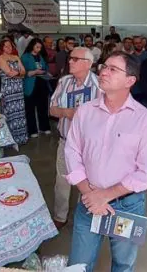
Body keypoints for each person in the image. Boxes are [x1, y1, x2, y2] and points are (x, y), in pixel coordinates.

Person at [65, 51, 147, 271]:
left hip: (127, 206)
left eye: (112, 69)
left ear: (130, 80)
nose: (103, 72)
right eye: (104, 66)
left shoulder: (144, 120)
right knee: (78, 264)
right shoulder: (85, 112)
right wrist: (89, 194)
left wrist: (105, 196)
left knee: (123, 264)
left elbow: (146, 172)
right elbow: (71, 152)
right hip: (88, 201)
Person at [50, 47, 100, 229]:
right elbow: (52, 109)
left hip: (89, 146)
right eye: (70, 58)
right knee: (62, 181)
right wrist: (67, 112)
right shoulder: (64, 82)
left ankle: (84, 217)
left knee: (87, 183)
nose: (70, 61)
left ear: (88, 63)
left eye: (75, 59)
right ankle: (60, 216)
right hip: (65, 142)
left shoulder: (99, 86)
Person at [0, 38, 28, 145]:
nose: (8, 48)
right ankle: (11, 140)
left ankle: (21, 138)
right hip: (8, 89)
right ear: (2, 48)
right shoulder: (0, 58)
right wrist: (19, 74)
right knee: (10, 113)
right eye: (6, 46)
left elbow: (24, 72)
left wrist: (18, 74)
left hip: (18, 89)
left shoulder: (16, 57)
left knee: (20, 113)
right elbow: (10, 73)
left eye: (10, 46)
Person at [22, 38, 51, 138]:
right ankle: (32, 130)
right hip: (30, 84)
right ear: (32, 46)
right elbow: (22, 72)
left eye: (40, 47)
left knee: (43, 106)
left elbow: (46, 67)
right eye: (37, 47)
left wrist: (44, 71)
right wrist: (34, 72)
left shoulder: (41, 56)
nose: (38, 49)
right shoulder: (25, 57)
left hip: (41, 83)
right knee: (30, 108)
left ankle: (44, 127)